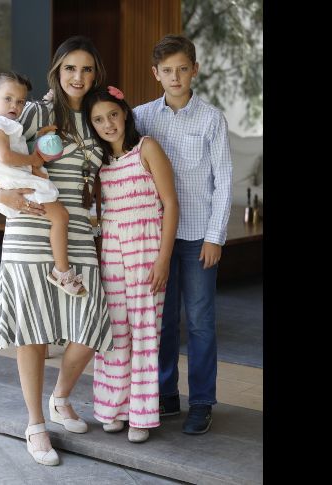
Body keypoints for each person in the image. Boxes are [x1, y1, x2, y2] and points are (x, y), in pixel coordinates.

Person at [0, 36, 114, 466]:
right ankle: (36, 424)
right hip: (29, 223)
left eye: (87, 68)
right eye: (70, 67)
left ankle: (61, 397)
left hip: (75, 229)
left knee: (91, 323)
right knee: (31, 329)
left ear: (95, 74)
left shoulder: (97, 116)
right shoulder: (32, 111)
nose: (79, 76)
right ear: (58, 70)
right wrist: (1, 194)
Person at [132, 34, 233, 435]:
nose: (175, 77)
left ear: (195, 69)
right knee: (162, 320)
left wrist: (215, 236)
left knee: (201, 321)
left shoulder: (211, 119)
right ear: (155, 74)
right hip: (155, 238)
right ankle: (165, 395)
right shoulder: (140, 117)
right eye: (167, 71)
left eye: (182, 69)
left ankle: (203, 401)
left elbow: (223, 180)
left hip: (196, 237)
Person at [83, 85, 178, 443]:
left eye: (112, 114)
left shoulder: (146, 148)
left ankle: (141, 414)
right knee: (116, 330)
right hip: (112, 251)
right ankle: (113, 409)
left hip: (146, 248)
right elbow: (100, 213)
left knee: (144, 331)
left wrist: (163, 258)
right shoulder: (101, 164)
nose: (108, 124)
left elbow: (170, 203)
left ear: (124, 113)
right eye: (98, 120)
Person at [0, 68, 87, 297]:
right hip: (16, 184)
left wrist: (34, 159)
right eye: (8, 99)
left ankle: (61, 269)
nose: (15, 106)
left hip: (13, 182)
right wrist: (33, 160)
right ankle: (62, 271)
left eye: (20, 101)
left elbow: (5, 155)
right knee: (61, 217)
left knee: (57, 217)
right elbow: (5, 157)